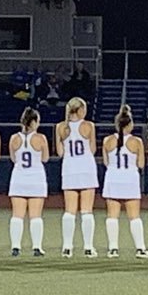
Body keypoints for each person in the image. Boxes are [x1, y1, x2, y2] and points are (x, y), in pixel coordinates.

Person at [102, 104, 148, 258]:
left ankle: (113, 249)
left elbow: (105, 162)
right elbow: (141, 164)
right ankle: (140, 248)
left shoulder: (107, 140)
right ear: (130, 124)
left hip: (113, 178)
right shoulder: (136, 142)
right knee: (134, 216)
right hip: (130, 179)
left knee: (112, 215)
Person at [57, 97, 100, 258]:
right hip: (86, 168)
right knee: (87, 211)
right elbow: (93, 149)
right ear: (81, 110)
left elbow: (60, 152)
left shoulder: (61, 127)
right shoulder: (89, 126)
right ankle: (88, 247)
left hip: (69, 169)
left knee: (69, 211)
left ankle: (67, 247)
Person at [8, 108, 50, 256]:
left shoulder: (14, 138)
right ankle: (37, 247)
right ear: (34, 122)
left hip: (18, 178)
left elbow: (13, 159)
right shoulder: (41, 138)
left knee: (17, 215)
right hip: (36, 179)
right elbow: (45, 158)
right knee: (35, 215)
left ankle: (15, 247)